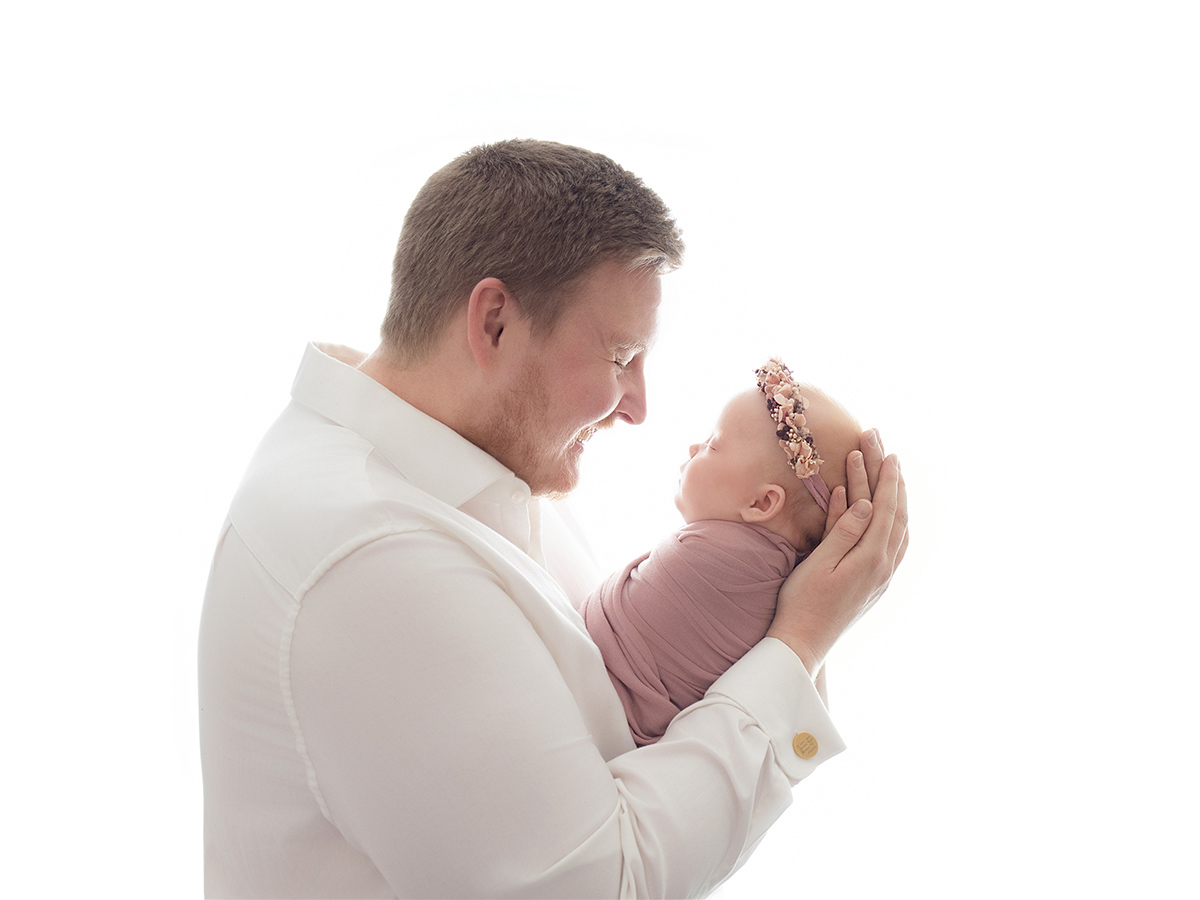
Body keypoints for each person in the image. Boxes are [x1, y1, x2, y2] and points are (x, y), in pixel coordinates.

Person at [198, 139, 908, 899]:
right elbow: (594, 885)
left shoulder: (478, 475)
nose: (638, 407)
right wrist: (797, 645)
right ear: (495, 324)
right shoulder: (372, 562)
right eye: (620, 356)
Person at [582, 359, 863, 746]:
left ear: (763, 502)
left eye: (713, 444)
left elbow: (595, 632)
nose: (695, 447)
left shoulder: (707, 557)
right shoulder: (789, 583)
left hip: (590, 718)